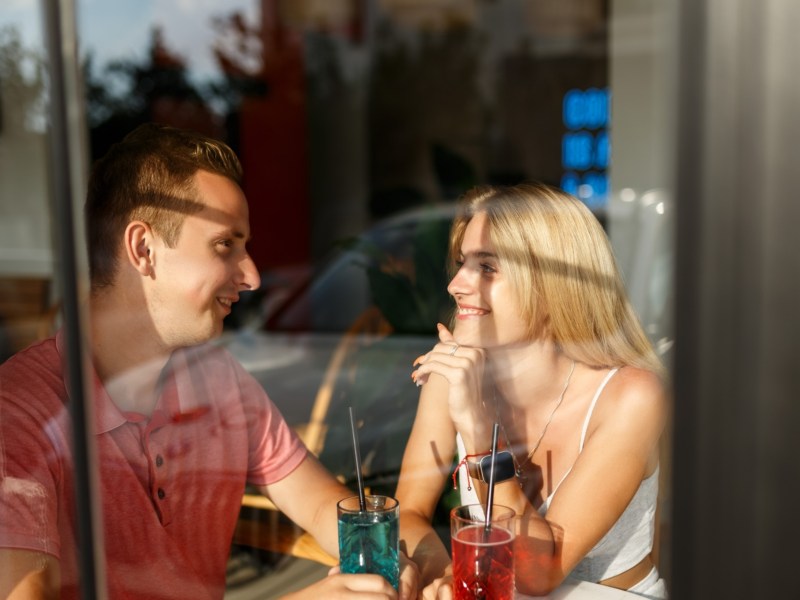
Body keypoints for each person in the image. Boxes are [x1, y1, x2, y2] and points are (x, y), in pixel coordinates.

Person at [0, 123, 417, 600]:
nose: (254, 276)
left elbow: (324, 507)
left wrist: (386, 562)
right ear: (143, 249)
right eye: (225, 244)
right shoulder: (21, 414)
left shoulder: (219, 381)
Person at [394, 183, 669, 599]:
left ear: (551, 282)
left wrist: (480, 432)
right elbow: (409, 511)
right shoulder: (454, 373)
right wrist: (450, 572)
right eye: (461, 263)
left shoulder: (632, 396)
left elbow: (542, 573)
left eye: (487, 268)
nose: (455, 285)